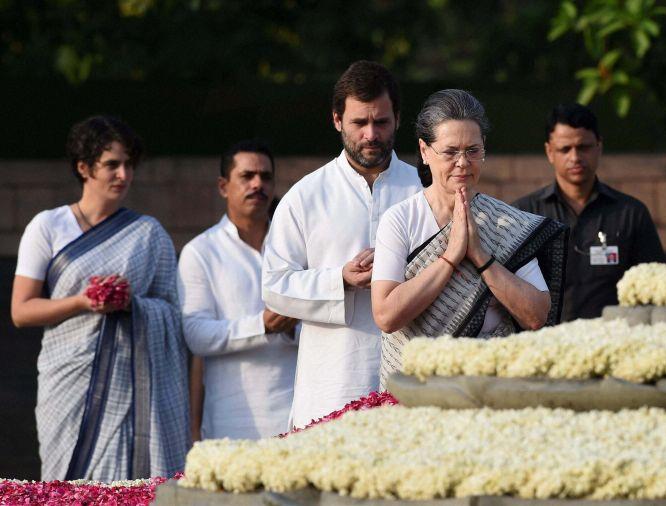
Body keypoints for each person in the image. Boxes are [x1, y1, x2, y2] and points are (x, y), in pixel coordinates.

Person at [10, 116, 189, 481]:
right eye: (111, 164)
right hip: (68, 382)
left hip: (133, 386)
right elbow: (21, 310)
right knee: (67, 485)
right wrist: (83, 301)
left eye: (128, 165)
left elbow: (172, 313)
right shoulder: (48, 226)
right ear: (84, 167)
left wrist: (132, 305)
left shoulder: (148, 234)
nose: (123, 174)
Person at [262, 60, 423, 428]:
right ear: (337, 120)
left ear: (397, 118)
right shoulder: (306, 196)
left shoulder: (424, 192)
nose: (371, 134)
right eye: (359, 123)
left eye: (381, 122)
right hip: (331, 383)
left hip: (410, 383)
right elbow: (274, 288)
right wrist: (340, 279)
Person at [370, 90, 568, 388]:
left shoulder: (505, 223)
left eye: (472, 151)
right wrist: (450, 257)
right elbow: (386, 315)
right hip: (416, 389)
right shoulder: (400, 220)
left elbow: (537, 314)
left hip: (490, 386)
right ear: (425, 151)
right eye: (450, 152)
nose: (463, 162)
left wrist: (481, 257)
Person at [178, 140, 298, 440]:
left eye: (266, 177)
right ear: (223, 186)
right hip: (233, 420)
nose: (258, 184)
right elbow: (196, 334)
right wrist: (262, 326)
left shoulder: (296, 245)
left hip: (299, 411)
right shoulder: (201, 252)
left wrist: (293, 325)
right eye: (247, 176)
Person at [514, 103, 666, 321]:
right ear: (549, 151)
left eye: (583, 147)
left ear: (599, 146)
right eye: (565, 149)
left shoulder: (631, 213)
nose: (575, 157)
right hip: (544, 345)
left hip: (616, 343)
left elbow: (655, 287)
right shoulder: (524, 215)